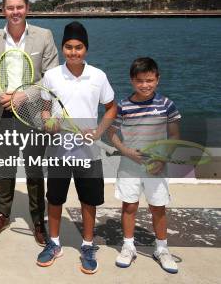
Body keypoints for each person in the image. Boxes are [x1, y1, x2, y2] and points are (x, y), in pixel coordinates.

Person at [0, 0, 58, 245]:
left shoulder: (44, 36)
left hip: (32, 113)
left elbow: (51, 75)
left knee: (34, 169)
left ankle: (37, 221)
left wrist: (25, 95)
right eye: (10, 7)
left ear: (27, 9)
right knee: (7, 166)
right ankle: (3, 214)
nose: (15, 12)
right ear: (3, 10)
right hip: (3, 112)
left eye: (19, 7)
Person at [35, 21, 117, 274]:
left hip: (89, 152)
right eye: (69, 47)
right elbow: (45, 108)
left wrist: (98, 132)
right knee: (55, 198)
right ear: (62, 49)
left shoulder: (99, 76)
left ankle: (88, 245)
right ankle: (55, 243)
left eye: (78, 47)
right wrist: (48, 121)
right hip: (59, 150)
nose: (73, 52)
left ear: (86, 49)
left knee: (88, 200)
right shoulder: (51, 76)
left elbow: (111, 107)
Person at [108, 57, 180, 274]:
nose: (145, 85)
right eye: (140, 81)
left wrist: (162, 159)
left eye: (149, 80)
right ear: (132, 81)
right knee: (129, 206)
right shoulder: (123, 106)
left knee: (158, 207)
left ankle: (162, 249)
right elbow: (112, 133)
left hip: (157, 167)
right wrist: (126, 151)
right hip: (129, 166)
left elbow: (175, 135)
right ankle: (128, 246)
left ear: (157, 79)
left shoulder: (167, 104)